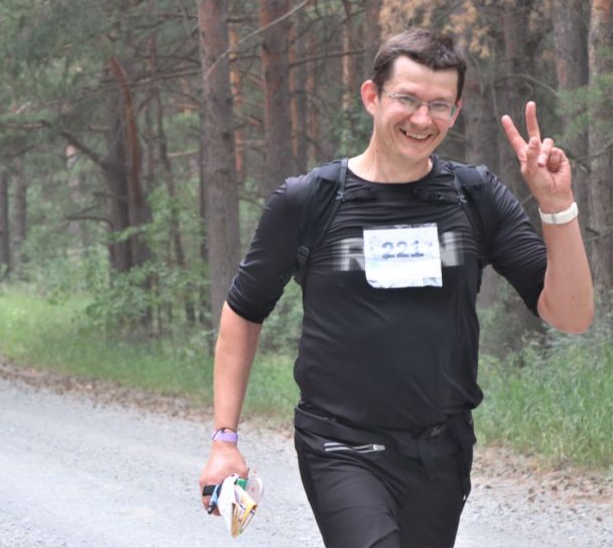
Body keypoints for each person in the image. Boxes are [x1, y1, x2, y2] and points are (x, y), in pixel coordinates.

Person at [198, 29, 594, 547]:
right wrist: (224, 438)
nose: (421, 119)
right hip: (339, 445)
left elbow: (570, 315)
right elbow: (244, 311)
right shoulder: (309, 200)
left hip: (442, 450)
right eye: (406, 99)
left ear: (456, 110)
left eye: (439, 105)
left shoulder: (475, 197)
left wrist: (556, 207)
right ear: (372, 96)